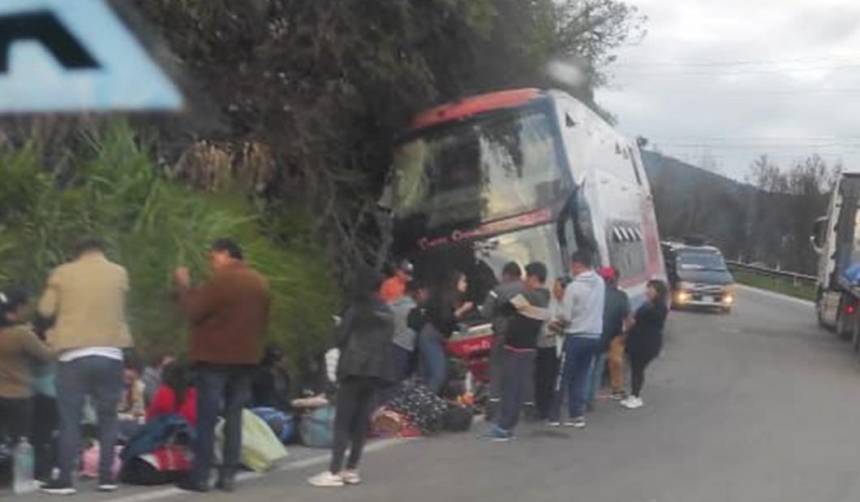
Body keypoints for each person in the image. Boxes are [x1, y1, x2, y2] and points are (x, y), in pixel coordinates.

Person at [174, 238, 271, 493]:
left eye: (214, 257)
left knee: (206, 417)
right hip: (246, 358)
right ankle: (228, 476)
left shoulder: (222, 280)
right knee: (234, 417)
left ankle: (201, 476)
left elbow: (194, 311)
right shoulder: (260, 281)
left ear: (226, 254)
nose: (212, 262)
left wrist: (184, 286)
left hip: (214, 358)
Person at [39, 238, 133, 496]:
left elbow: (45, 309)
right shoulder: (119, 272)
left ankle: (66, 480)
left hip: (73, 354)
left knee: (70, 419)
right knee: (108, 418)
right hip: (111, 352)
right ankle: (106, 478)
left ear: (76, 253)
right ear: (102, 251)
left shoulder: (63, 273)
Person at [308, 267, 395, 487]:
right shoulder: (387, 311)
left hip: (353, 369)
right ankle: (352, 469)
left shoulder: (356, 309)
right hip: (376, 371)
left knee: (342, 421)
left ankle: (334, 471)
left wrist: (338, 326)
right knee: (360, 422)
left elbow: (341, 338)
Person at [486, 263, 551, 441]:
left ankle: (504, 428)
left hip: (516, 348)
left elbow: (503, 309)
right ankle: (507, 426)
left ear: (534, 278)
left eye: (527, 277)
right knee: (517, 387)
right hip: (528, 348)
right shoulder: (544, 296)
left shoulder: (529, 296)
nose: (524, 281)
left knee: (511, 389)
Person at [549, 250, 605, 429]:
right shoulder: (600, 283)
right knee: (581, 376)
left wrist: (554, 325)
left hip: (575, 337)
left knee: (562, 377)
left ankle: (555, 416)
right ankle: (577, 416)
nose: (571, 269)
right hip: (594, 336)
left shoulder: (573, 287)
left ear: (577, 265)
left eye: (572, 265)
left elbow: (565, 316)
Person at [0, 288, 54, 445]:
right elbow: (45, 356)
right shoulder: (21, 334)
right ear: (17, 307)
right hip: (19, 395)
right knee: (19, 443)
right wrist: (57, 345)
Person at [418, 271, 473, 394]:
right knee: (438, 374)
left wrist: (460, 327)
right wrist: (462, 310)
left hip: (436, 337)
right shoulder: (446, 297)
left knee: (429, 375)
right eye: (463, 281)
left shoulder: (452, 298)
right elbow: (445, 318)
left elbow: (449, 321)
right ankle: (426, 405)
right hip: (431, 337)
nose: (466, 284)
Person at [481, 262, 525, 417]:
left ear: (506, 275)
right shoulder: (527, 289)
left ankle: (494, 407)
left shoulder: (497, 291)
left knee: (497, 370)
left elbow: (486, 313)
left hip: (502, 336)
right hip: (523, 337)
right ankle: (522, 405)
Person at [621, 280, 670, 410]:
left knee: (638, 369)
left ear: (658, 291)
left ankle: (636, 396)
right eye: (647, 288)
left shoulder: (659, 307)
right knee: (636, 368)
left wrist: (633, 320)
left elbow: (642, 320)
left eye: (651, 289)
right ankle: (633, 395)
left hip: (646, 343)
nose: (647, 291)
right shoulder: (648, 304)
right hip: (638, 340)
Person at [586, 267, 631, 406]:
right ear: (614, 279)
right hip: (612, 336)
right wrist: (627, 334)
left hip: (593, 334)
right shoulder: (621, 296)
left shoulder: (591, 293)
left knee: (591, 366)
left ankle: (586, 396)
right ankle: (592, 396)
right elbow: (628, 319)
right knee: (602, 365)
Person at [534, 277, 569, 420]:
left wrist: (555, 326)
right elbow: (551, 327)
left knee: (554, 379)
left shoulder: (568, 305)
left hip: (557, 346)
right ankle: (543, 409)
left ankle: (552, 409)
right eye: (554, 288)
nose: (555, 291)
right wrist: (555, 326)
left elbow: (566, 327)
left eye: (558, 288)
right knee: (543, 379)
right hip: (545, 346)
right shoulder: (551, 303)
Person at [389, 281, 428, 382]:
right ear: (419, 292)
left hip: (388, 348)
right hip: (404, 350)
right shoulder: (414, 310)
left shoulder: (391, 306)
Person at [147, 361, 198, 425]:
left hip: (165, 432)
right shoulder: (193, 394)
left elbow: (149, 419)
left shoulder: (164, 393)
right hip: (189, 432)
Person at [251, 344, 292, 411]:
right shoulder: (260, 375)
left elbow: (285, 396)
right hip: (263, 410)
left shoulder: (284, 376)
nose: (286, 360)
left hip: (281, 410)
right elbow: (266, 399)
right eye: (284, 358)